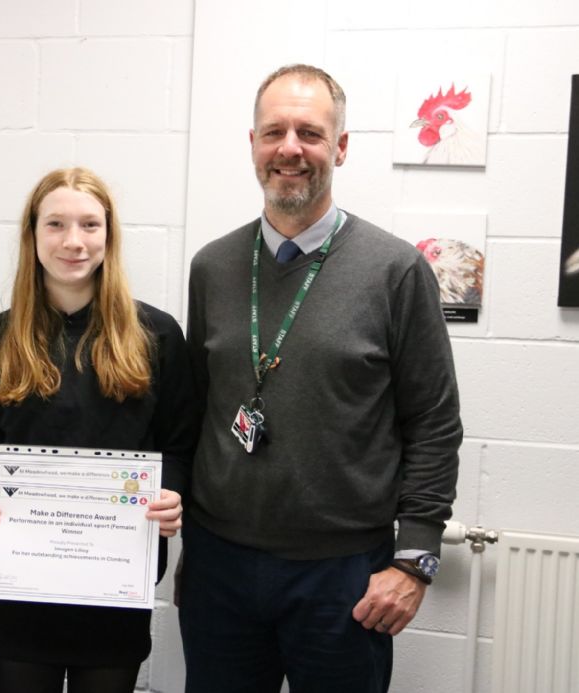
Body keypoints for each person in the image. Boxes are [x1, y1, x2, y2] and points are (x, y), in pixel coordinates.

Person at [179, 64, 462, 692]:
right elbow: (196, 408)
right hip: (219, 567)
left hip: (342, 574)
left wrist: (414, 560)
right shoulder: (213, 266)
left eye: (309, 133)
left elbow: (435, 423)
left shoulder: (397, 270)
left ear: (340, 147)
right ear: (251, 143)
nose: (290, 149)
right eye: (274, 131)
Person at [0, 167, 198, 693]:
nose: (73, 241)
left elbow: (178, 447)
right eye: (56, 224)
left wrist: (172, 493)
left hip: (115, 584)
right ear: (32, 235)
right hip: (23, 589)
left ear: (109, 236)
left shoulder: (157, 336)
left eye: (90, 225)